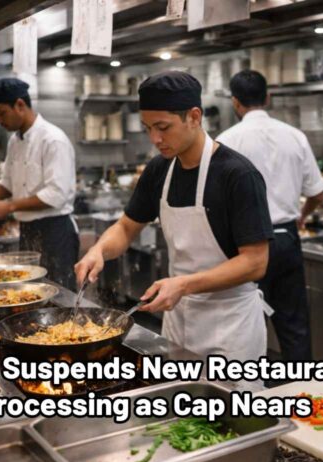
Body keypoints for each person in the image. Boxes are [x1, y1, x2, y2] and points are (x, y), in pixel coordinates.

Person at [75, 71, 273, 361]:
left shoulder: (237, 175)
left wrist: (183, 284)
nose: (155, 138)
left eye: (163, 127)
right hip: (179, 317)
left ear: (194, 117)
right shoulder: (160, 169)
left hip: (231, 325)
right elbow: (128, 227)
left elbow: (256, 263)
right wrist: (99, 250)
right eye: (147, 128)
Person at [217, 70, 323, 361]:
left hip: (246, 245)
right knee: (295, 326)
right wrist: (302, 216)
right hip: (287, 238)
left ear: (235, 103)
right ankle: (304, 396)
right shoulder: (295, 136)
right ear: (268, 97)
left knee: (249, 326)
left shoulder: (226, 142)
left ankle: (252, 398)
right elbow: (318, 193)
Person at [0, 78, 79, 289]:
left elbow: (56, 194)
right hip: (29, 230)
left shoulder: (52, 139)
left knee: (59, 293)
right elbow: (8, 185)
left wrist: (9, 206)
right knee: (31, 290)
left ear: (20, 105)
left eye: (1, 112)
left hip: (56, 232)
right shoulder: (16, 141)